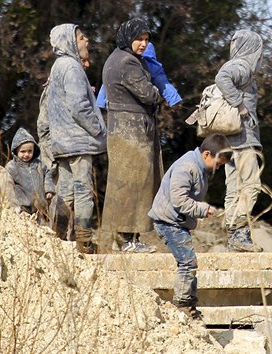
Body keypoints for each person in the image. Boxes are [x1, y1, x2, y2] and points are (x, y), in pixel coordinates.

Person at [148, 134, 232, 320]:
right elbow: (179, 200)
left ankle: (190, 304)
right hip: (167, 221)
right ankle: (182, 305)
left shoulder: (199, 167)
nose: (218, 168)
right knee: (188, 262)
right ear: (207, 154)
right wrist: (203, 209)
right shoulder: (187, 167)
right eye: (218, 163)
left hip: (177, 221)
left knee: (188, 261)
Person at [101, 18, 164, 253]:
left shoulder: (117, 58)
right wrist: (159, 90)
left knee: (128, 183)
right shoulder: (127, 62)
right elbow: (149, 94)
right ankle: (128, 240)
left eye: (147, 39)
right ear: (129, 38)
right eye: (139, 38)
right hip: (131, 131)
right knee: (132, 184)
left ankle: (128, 238)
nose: (143, 44)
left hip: (126, 129)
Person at [46, 24, 106, 253]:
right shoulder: (72, 68)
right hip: (78, 141)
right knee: (83, 192)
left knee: (65, 193)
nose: (86, 40)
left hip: (62, 142)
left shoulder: (57, 67)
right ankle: (84, 242)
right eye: (81, 37)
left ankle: (58, 238)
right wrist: (98, 130)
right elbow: (79, 107)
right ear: (69, 41)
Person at [215, 30, 265, 253]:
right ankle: (239, 230)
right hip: (243, 139)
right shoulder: (242, 67)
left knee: (234, 188)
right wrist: (240, 105)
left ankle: (234, 235)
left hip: (230, 140)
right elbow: (222, 78)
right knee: (251, 186)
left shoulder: (238, 65)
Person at [96, 41, 181, 109]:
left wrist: (101, 102)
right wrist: (174, 100)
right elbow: (162, 83)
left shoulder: (123, 59)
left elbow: (108, 82)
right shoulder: (153, 66)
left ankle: (101, 102)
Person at [5, 128, 55, 223]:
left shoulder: (39, 164)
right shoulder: (12, 167)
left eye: (29, 151)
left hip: (41, 206)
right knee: (27, 228)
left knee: (43, 230)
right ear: (15, 151)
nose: (26, 154)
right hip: (23, 207)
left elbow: (48, 174)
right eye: (23, 152)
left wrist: (49, 190)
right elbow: (7, 184)